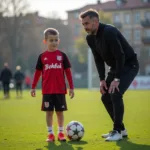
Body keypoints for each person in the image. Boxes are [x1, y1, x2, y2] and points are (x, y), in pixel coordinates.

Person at [79, 9, 139, 141]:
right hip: (115, 66)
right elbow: (98, 59)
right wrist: (102, 79)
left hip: (129, 64)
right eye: (83, 24)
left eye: (87, 23)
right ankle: (121, 129)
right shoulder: (90, 38)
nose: (85, 27)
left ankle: (116, 131)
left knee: (115, 93)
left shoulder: (109, 32)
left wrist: (116, 79)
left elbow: (120, 56)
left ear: (95, 22)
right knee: (105, 97)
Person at [30, 28, 74, 142]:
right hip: (47, 91)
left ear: (58, 41)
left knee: (60, 112)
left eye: (56, 40)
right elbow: (37, 73)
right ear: (45, 41)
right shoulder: (42, 57)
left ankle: (60, 133)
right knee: (49, 112)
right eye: (51, 40)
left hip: (60, 90)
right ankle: (50, 134)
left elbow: (68, 72)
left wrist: (71, 87)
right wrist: (33, 86)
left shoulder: (62, 56)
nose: (54, 42)